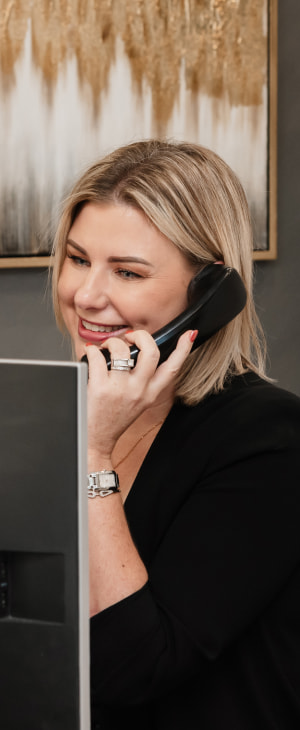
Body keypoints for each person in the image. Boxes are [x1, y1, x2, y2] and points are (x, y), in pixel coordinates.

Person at [52, 140, 300, 730]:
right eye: (79, 259)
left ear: (210, 292)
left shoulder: (270, 440)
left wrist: (93, 453)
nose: (86, 296)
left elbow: (131, 668)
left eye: (128, 272)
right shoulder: (53, 410)